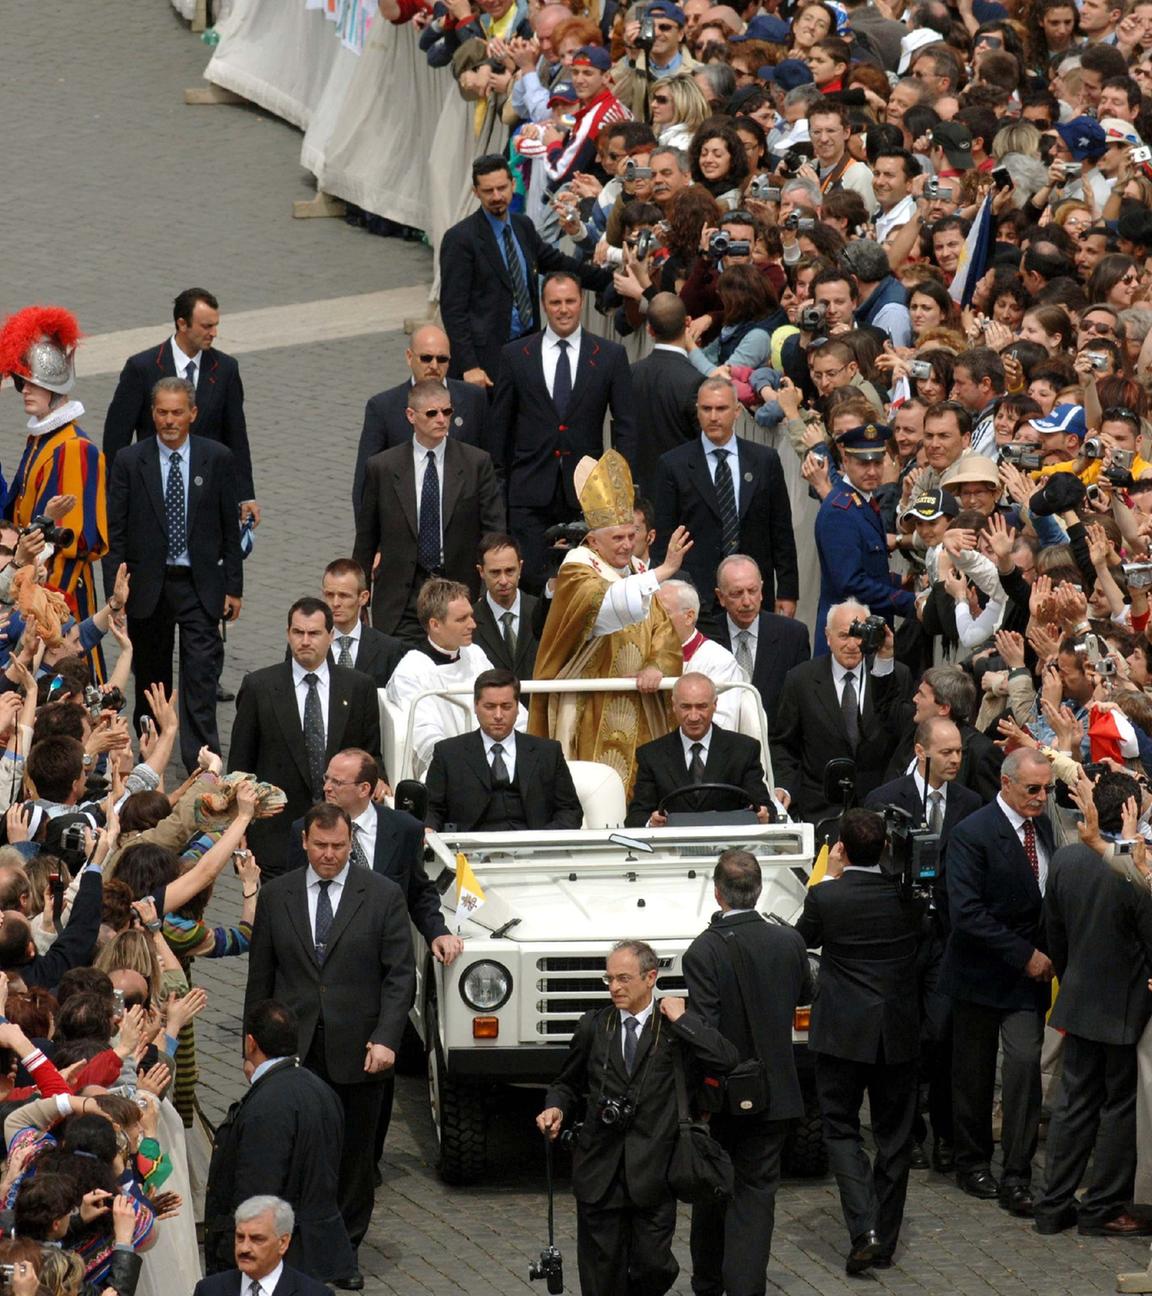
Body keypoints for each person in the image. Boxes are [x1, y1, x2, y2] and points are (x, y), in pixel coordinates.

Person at [244, 803, 415, 1283]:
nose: (329, 855)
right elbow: (260, 977)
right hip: (292, 1049)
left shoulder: (381, 895)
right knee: (294, 1151)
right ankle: (292, 1250)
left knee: (355, 1156)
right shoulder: (278, 896)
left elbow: (400, 977)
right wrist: (251, 1047)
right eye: (320, 846)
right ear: (304, 842)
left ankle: (345, 1254)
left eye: (339, 847)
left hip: (359, 1049)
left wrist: (386, 1038)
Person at [536, 939, 737, 1296]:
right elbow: (565, 1083)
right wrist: (555, 1107)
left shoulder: (675, 1031)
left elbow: (725, 1059)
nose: (614, 987)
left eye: (624, 978)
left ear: (651, 978)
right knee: (601, 1278)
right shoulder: (594, 1027)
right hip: (599, 1171)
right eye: (609, 979)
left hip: (655, 1174)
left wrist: (685, 1019)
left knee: (654, 1267)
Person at [795, 808, 923, 1275]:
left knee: (841, 1131)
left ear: (841, 849)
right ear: (887, 848)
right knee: (894, 1139)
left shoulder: (828, 898)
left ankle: (864, 1230)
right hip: (896, 1033)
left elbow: (798, 942)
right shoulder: (908, 898)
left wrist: (825, 881)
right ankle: (883, 1241)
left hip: (842, 1033)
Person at [681, 849, 812, 1296]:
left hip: (724, 1098)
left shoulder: (704, 950)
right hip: (776, 1092)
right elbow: (803, 992)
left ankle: (710, 1280)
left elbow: (706, 1033)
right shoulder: (789, 941)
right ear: (757, 891)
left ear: (717, 893)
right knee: (756, 1198)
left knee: (713, 1189)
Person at [104, 377, 243, 772]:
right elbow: (116, 531)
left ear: (192, 414)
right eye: (162, 412)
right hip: (149, 587)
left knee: (201, 673)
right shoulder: (131, 461)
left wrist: (234, 585)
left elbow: (229, 528)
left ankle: (202, 762)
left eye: (177, 412)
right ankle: (150, 757)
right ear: (152, 414)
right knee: (152, 678)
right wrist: (116, 593)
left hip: (199, 585)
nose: (169, 420)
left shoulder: (216, 458)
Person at [1034, 773, 1152, 1238]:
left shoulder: (1065, 859)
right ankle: (1102, 1206)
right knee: (1119, 1110)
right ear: (1128, 812)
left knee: (1073, 1106)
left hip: (1079, 997)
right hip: (1124, 1006)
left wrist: (1070, 974)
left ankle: (1052, 1204)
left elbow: (1054, 932)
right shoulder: (1131, 870)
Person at [527, 451, 685, 796]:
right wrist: (664, 571)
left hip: (640, 701)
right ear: (593, 539)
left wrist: (656, 665)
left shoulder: (639, 571)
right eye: (618, 538)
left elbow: (662, 629)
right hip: (590, 702)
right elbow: (608, 609)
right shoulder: (577, 567)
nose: (627, 545)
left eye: (631, 536)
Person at [940, 748, 1055, 1217]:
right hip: (980, 973)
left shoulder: (1044, 827)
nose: (1042, 798)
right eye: (1033, 789)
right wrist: (1023, 954)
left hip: (1028, 981)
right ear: (1006, 784)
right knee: (973, 1073)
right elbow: (965, 913)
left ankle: (1018, 1172)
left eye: (1047, 789)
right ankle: (972, 1163)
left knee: (1025, 1067)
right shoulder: (973, 834)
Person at [865, 717, 982, 1172]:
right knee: (898, 1037)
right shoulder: (886, 800)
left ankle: (946, 1135)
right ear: (921, 751)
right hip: (899, 935)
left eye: (959, 753)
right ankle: (904, 1131)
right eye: (947, 752)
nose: (955, 760)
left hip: (949, 937)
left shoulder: (971, 803)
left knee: (941, 1034)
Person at [489, 272, 636, 591]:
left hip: (587, 493)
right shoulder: (515, 355)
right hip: (529, 490)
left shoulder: (609, 356)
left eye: (570, 301)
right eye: (555, 302)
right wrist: (501, 485)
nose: (563, 309)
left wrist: (619, 488)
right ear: (544, 305)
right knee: (530, 580)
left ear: (581, 303)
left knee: (587, 583)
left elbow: (625, 426)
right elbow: (500, 425)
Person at [203, 1002, 357, 1286]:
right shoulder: (321, 1090)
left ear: (251, 1043)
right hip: (315, 1250)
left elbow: (256, 1192)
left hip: (279, 1262)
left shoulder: (267, 1106)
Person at [228, 598, 383, 878]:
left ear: (331, 636)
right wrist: (237, 828)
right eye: (298, 633)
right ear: (288, 634)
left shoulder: (359, 687)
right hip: (275, 840)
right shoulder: (259, 687)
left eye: (314, 633)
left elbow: (371, 757)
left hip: (338, 840)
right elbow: (240, 768)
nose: (305, 641)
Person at [353, 379, 505, 643]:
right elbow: (366, 539)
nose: (441, 419)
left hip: (458, 590)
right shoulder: (383, 468)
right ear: (411, 415)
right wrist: (359, 597)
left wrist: (485, 589)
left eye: (447, 412)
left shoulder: (476, 463)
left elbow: (494, 531)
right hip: (401, 598)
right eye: (432, 413)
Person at [438, 154, 608, 390]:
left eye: (501, 188)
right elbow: (453, 309)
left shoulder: (522, 226)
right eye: (488, 191)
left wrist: (609, 282)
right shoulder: (461, 239)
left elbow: (558, 263)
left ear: (513, 184)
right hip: (485, 362)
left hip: (527, 349)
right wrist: (469, 366)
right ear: (475, 192)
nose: (497, 197)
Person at [0, 306, 109, 654]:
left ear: (54, 388)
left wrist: (44, 601)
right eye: (21, 382)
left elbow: (73, 541)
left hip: (58, 590)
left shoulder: (75, 449)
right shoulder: (42, 439)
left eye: (35, 384)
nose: (25, 391)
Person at [102, 287, 258, 525]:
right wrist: (116, 496)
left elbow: (236, 435)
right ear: (182, 324)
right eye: (206, 326)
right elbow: (116, 438)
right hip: (154, 494)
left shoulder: (226, 369)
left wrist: (245, 495)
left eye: (215, 325)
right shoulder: (142, 368)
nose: (214, 333)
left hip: (207, 497)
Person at [652, 379, 798, 630]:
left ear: (737, 411)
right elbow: (665, 537)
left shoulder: (764, 461)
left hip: (751, 595)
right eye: (706, 409)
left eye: (721, 409)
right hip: (697, 596)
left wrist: (787, 590)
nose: (713, 416)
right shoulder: (673, 465)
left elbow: (781, 530)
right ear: (697, 411)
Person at [771, 603, 912, 824]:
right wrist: (785, 787)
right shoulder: (800, 680)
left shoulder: (896, 675)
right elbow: (784, 744)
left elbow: (903, 740)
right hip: (820, 810)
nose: (852, 645)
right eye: (844, 635)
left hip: (879, 809)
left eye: (859, 636)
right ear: (828, 637)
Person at [352, 324, 488, 518]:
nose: (434, 366)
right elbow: (366, 484)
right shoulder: (383, 408)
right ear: (409, 357)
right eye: (426, 358)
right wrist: (371, 544)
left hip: (464, 531)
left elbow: (493, 469)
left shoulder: (474, 399)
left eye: (442, 359)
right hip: (404, 529)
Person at [425, 669, 583, 831]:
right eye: (490, 707)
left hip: (535, 848)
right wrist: (428, 828)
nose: (498, 715)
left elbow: (570, 811)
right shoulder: (448, 753)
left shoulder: (548, 752)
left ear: (517, 707)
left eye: (506, 706)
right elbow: (431, 809)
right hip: (468, 850)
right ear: (475, 706)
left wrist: (541, 840)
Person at [384, 578, 504, 779]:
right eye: (461, 619)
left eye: (471, 616)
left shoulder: (475, 654)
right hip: (448, 772)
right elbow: (425, 737)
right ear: (435, 624)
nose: (472, 624)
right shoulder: (411, 671)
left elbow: (505, 702)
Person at [814, 423, 916, 656]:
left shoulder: (863, 501)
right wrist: (908, 601)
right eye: (863, 463)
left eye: (877, 462)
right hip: (847, 639)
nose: (872, 471)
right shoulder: (840, 510)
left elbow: (868, 567)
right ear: (846, 461)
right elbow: (850, 582)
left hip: (865, 635)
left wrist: (899, 581)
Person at [625, 673, 775, 827]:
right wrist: (651, 822)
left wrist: (763, 816)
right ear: (674, 705)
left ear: (715, 704)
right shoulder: (651, 755)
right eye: (686, 707)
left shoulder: (744, 750)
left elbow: (766, 808)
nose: (694, 716)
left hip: (729, 847)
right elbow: (635, 817)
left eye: (701, 706)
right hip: (671, 847)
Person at [713, 555, 810, 729]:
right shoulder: (707, 636)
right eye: (737, 593)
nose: (747, 602)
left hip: (775, 744)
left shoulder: (793, 635)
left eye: (752, 591)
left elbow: (801, 703)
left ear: (762, 590)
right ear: (720, 597)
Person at [628, 293, 704, 497]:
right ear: (687, 322)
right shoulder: (696, 381)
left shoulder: (630, 373)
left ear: (649, 329)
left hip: (638, 491)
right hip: (682, 492)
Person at [655, 581, 748, 732]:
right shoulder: (642, 657)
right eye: (651, 613)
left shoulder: (718, 660)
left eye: (663, 613)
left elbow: (722, 725)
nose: (653, 621)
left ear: (689, 617)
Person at [193, 1196, 332, 1296]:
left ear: (283, 1243)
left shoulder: (315, 1293)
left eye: (257, 1239)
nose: (244, 1248)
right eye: (240, 1237)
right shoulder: (209, 1290)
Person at [318, 558, 407, 689]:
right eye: (329, 595)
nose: (335, 603)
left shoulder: (389, 649)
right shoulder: (307, 643)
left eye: (344, 595)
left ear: (363, 597)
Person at [470, 533, 540, 679]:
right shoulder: (470, 621)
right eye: (495, 572)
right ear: (481, 571)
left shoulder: (543, 613)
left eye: (510, 571)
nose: (503, 580)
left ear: (520, 567)